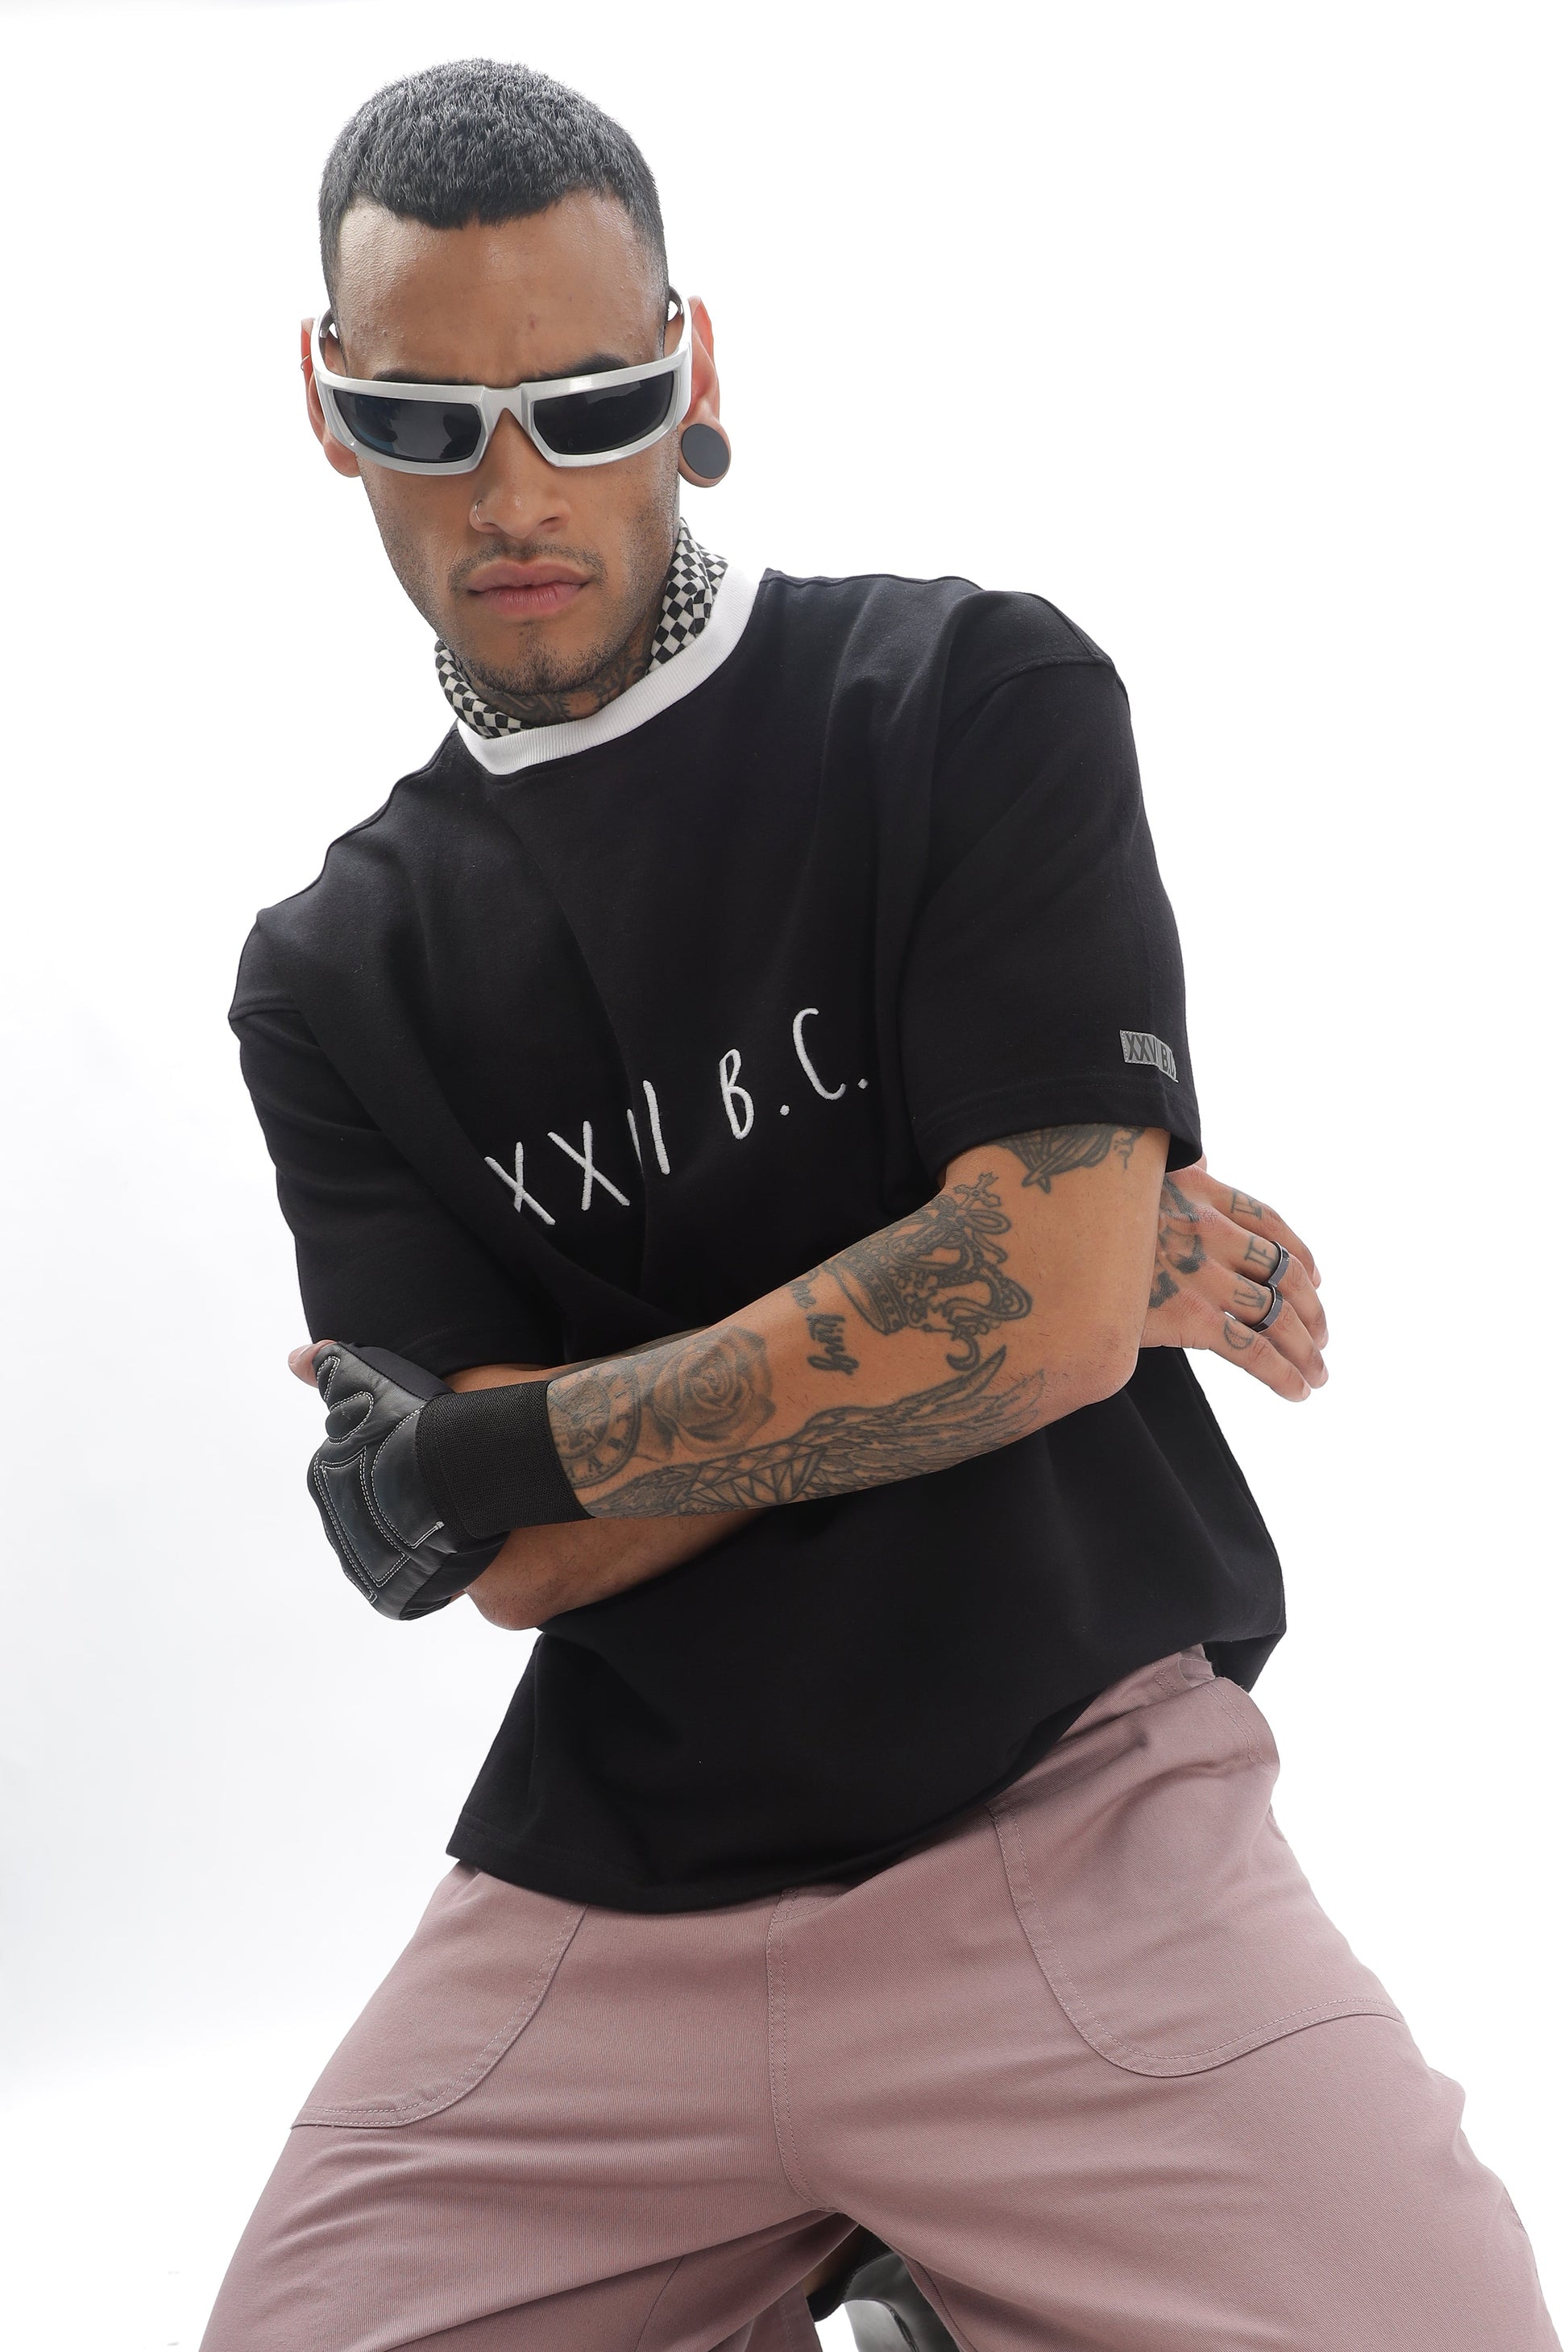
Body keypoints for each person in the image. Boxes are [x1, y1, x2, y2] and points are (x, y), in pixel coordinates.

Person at [201, 57, 1558, 2352]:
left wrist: (496, 1443)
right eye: (430, 422)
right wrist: (989, 1285)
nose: (514, 493)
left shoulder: (967, 699)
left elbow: (1005, 1324)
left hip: (1065, 1813)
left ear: (694, 373)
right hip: (606, 1899)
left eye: (587, 404)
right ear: (328, 407)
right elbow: (527, 1569)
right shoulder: (330, 973)